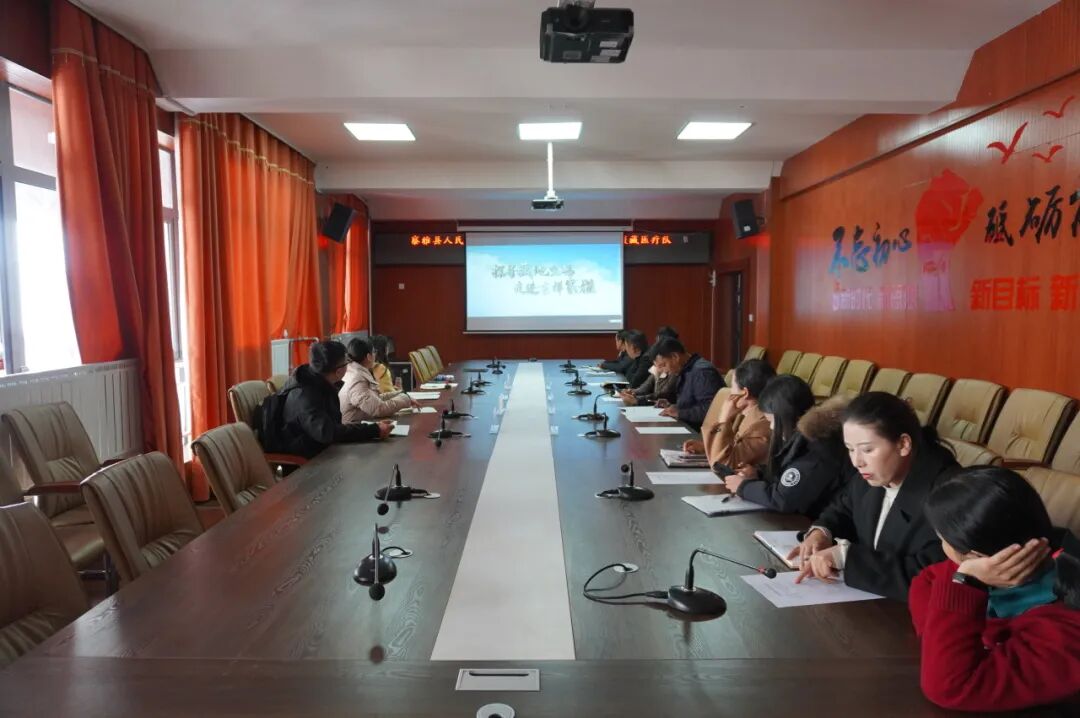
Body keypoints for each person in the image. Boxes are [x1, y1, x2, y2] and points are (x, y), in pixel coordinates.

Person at [910, 466, 1080, 712]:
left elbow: (951, 687)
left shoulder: (1065, 628)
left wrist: (966, 584)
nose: (943, 549)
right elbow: (926, 580)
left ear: (975, 555)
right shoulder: (1007, 558)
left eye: (943, 541)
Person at [790, 391, 960, 601]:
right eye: (850, 449)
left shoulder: (947, 494)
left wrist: (845, 558)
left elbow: (929, 576)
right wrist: (821, 533)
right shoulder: (874, 473)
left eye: (867, 450)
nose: (857, 461)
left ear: (903, 444)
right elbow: (842, 509)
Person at [722, 375, 847, 517]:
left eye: (771, 420)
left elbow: (783, 499)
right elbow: (787, 474)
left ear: (785, 415)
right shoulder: (803, 437)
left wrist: (743, 487)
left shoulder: (817, 447)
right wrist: (759, 474)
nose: (771, 427)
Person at [274, 341, 392, 458]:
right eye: (347, 362)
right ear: (339, 371)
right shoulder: (305, 395)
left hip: (324, 447)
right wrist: (374, 430)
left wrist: (373, 429)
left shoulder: (319, 382)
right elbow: (328, 433)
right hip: (308, 457)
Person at [682, 358, 775, 473]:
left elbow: (721, 466)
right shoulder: (745, 415)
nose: (731, 392)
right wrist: (706, 447)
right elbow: (734, 448)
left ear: (744, 393)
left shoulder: (763, 427)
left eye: (732, 387)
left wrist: (723, 420)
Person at [652, 338, 724, 431]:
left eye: (663, 365)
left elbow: (711, 410)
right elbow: (693, 403)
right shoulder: (686, 370)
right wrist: (673, 406)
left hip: (701, 433)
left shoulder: (702, 372)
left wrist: (680, 413)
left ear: (675, 356)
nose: (664, 371)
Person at [340, 338, 419, 422]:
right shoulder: (357, 379)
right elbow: (378, 409)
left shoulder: (355, 371)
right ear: (369, 356)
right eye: (374, 352)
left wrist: (400, 394)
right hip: (355, 427)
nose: (375, 355)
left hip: (362, 423)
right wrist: (405, 399)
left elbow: (375, 399)